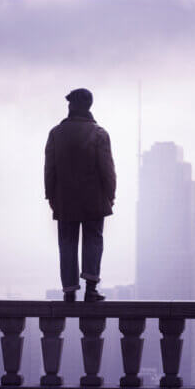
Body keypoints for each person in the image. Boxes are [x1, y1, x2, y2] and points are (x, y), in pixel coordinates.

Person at [44, 88, 116, 302]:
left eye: (70, 103)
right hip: (94, 199)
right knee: (93, 240)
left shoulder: (56, 134)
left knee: (67, 242)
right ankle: (91, 288)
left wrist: (51, 196)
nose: (67, 106)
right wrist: (110, 194)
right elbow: (107, 169)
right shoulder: (99, 134)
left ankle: (69, 290)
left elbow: (50, 169)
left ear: (74, 105)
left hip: (65, 199)